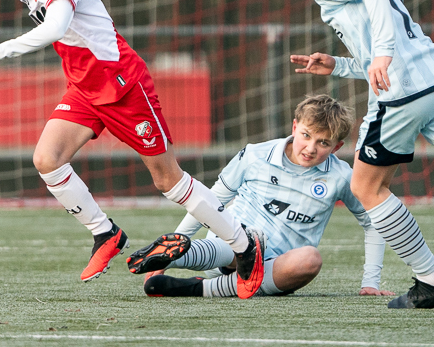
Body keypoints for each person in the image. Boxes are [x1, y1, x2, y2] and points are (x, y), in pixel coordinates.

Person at [0, 0, 264, 297]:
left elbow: (56, 28)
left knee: (167, 179)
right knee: (47, 159)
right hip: (84, 89)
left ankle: (243, 245)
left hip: (123, 87)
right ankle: (105, 232)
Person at [289, 0, 434, 309]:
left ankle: (429, 279)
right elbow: (384, 48)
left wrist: (382, 54)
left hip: (401, 96)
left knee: (365, 187)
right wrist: (341, 65)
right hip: (430, 81)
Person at [136, 95, 393, 299]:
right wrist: (174, 249)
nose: (311, 148)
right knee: (243, 244)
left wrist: (370, 281)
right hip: (227, 251)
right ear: (295, 127)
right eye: (306, 135)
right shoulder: (255, 155)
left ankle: (195, 288)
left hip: (277, 268)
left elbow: (371, 222)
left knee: (310, 260)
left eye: (323, 143)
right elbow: (209, 202)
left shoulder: (341, 177)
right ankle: (179, 257)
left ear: (337, 147)